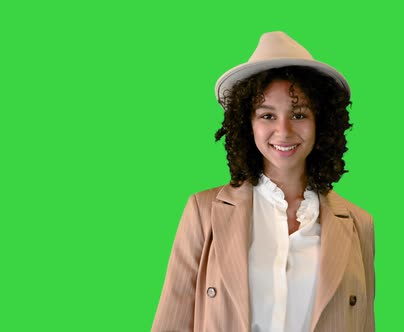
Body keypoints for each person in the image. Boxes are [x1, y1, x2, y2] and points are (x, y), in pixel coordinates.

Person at [152, 31, 375, 332]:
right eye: (267, 116)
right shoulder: (203, 212)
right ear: (247, 124)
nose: (283, 131)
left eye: (298, 114)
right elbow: (170, 324)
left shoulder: (358, 223)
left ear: (321, 122)